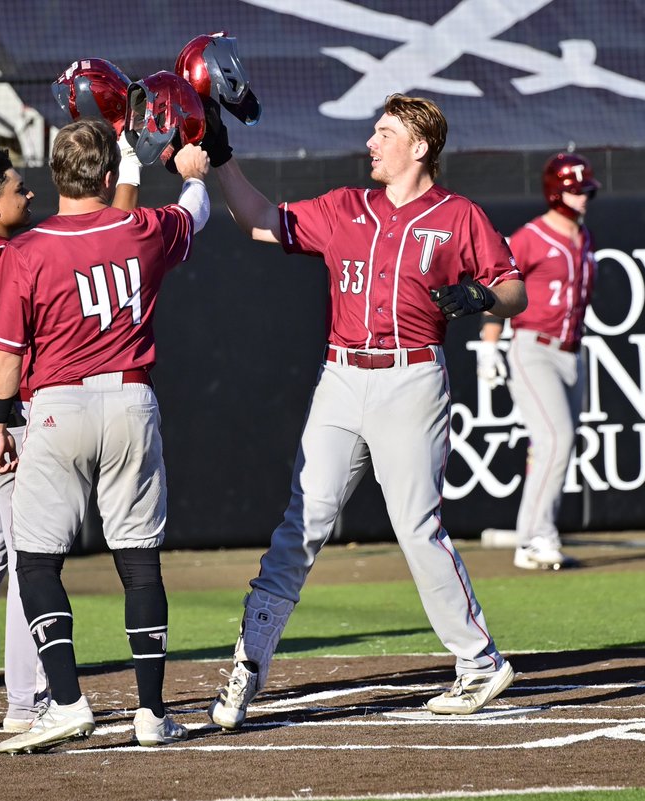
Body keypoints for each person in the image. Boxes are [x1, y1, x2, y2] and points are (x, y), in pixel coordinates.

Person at [198, 94, 526, 729]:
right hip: (341, 377)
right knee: (301, 525)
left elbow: (513, 288)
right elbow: (260, 219)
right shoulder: (345, 206)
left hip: (412, 376)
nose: (371, 142)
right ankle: (248, 665)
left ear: (420, 147)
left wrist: (483, 295)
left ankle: (480, 662)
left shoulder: (458, 214)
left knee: (417, 526)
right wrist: (222, 157)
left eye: (385, 133)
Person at [0, 118, 211, 753]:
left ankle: (66, 702)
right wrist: (194, 175)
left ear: (55, 174)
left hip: (58, 405)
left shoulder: (26, 249)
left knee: (36, 559)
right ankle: (151, 713)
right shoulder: (142, 228)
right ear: (108, 177)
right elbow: (195, 213)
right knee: (139, 561)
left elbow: (5, 354)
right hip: (131, 400)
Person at [0, 141, 144, 732]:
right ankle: (27, 701)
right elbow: (109, 235)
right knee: (29, 559)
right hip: (10, 418)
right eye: (18, 188)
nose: (30, 192)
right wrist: (129, 168)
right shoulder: (23, 254)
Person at [476, 153, 600, 571]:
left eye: (585, 191)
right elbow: (497, 286)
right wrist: (489, 345)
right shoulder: (531, 236)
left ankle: (538, 532)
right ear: (555, 192)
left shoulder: (583, 236)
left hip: (571, 351)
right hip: (534, 347)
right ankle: (533, 540)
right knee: (555, 440)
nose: (582, 198)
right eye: (575, 191)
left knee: (555, 444)